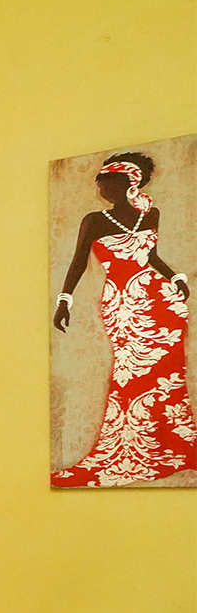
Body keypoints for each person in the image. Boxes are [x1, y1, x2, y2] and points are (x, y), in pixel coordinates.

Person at [51, 151, 196, 487]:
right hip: (122, 303)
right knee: (130, 371)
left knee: (167, 372)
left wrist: (176, 278)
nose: (102, 189)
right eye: (100, 184)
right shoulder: (94, 220)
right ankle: (131, 445)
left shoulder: (151, 214)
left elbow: (151, 256)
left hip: (162, 302)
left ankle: (171, 443)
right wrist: (64, 300)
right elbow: (77, 262)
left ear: (129, 183)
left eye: (108, 183)